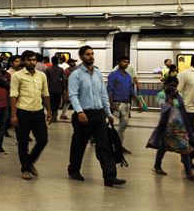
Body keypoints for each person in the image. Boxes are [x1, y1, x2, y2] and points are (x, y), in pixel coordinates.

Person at [66, 45, 125, 187]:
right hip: (83, 115)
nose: (91, 56)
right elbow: (73, 95)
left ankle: (110, 177)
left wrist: (108, 113)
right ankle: (74, 170)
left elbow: (103, 94)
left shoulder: (98, 73)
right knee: (79, 145)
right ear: (81, 57)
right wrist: (79, 111)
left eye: (92, 54)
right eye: (87, 54)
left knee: (104, 145)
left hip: (99, 114)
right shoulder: (76, 74)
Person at [10, 50, 51, 180]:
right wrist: (14, 115)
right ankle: (25, 169)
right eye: (29, 60)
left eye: (34, 60)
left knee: (43, 139)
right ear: (23, 61)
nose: (32, 62)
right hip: (23, 112)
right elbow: (13, 96)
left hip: (38, 113)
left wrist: (49, 111)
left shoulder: (41, 76)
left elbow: (45, 94)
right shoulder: (17, 76)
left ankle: (29, 162)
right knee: (23, 142)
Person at [150, 76, 194, 179]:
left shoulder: (179, 95)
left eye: (175, 86)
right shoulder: (161, 95)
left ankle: (189, 173)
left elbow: (182, 110)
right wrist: (170, 99)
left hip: (180, 127)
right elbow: (163, 108)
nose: (173, 88)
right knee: (163, 147)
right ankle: (157, 166)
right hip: (166, 127)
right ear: (166, 85)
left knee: (185, 148)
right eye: (171, 85)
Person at [106, 56, 134, 154]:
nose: (126, 63)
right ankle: (116, 145)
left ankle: (118, 146)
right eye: (123, 61)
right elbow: (109, 90)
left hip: (126, 104)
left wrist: (138, 101)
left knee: (122, 125)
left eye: (127, 62)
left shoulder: (128, 76)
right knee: (117, 124)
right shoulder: (113, 75)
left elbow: (131, 90)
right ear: (118, 62)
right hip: (117, 103)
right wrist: (111, 103)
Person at [46, 55, 65, 121]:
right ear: (58, 62)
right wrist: (64, 89)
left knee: (51, 102)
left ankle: (52, 113)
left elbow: (46, 79)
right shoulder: (61, 69)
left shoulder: (48, 69)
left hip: (50, 88)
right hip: (58, 89)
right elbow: (64, 79)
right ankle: (55, 113)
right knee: (57, 102)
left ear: (52, 61)